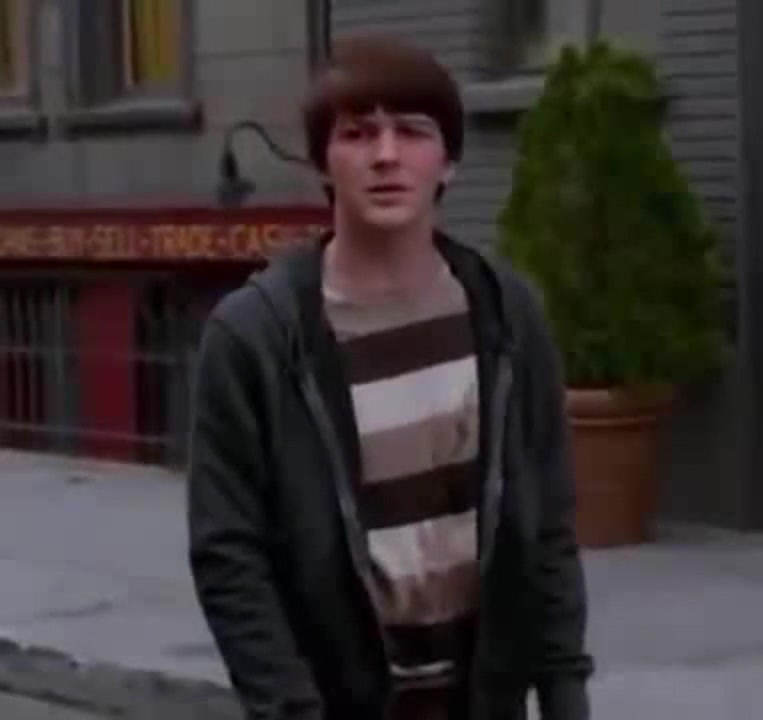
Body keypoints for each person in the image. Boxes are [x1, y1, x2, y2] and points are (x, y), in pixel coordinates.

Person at [186, 36, 593, 720]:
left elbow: (545, 524)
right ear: (323, 161)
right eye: (357, 133)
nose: (385, 155)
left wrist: (563, 694)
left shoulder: (506, 314)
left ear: (448, 161)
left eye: (411, 131)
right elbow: (229, 557)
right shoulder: (256, 336)